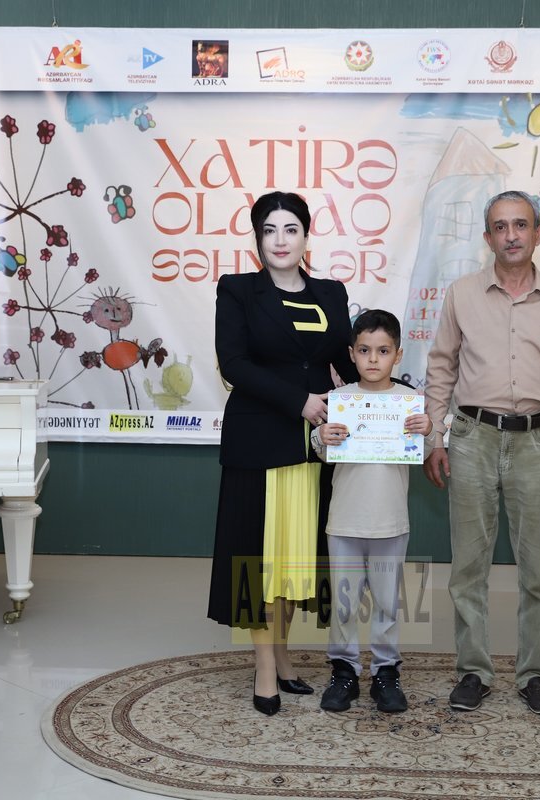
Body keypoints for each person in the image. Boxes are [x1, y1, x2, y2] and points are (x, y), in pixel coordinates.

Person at [423, 189, 540, 716]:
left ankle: (536, 675)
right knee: (468, 567)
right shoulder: (462, 295)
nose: (511, 235)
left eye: (520, 225)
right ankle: (473, 671)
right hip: (472, 438)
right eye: (500, 226)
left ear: (538, 233)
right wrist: (434, 437)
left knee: (537, 571)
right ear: (487, 237)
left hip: (539, 443)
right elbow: (441, 368)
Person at [206, 191, 359, 716]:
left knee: (296, 561)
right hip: (259, 444)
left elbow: (350, 364)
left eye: (290, 229)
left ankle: (285, 654)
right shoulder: (237, 291)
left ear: (306, 236)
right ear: (257, 239)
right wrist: (301, 401)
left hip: (315, 449)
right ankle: (265, 667)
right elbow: (234, 364)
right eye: (269, 230)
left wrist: (395, 401)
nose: (280, 240)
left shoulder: (331, 293)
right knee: (259, 562)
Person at [310, 309, 431, 714]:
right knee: (344, 604)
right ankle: (343, 671)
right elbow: (322, 450)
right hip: (345, 520)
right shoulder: (340, 400)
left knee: (386, 603)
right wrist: (321, 436)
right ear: (351, 353)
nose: (373, 359)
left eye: (383, 350)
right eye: (364, 350)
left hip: (390, 522)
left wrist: (429, 431)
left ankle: (385, 672)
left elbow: (424, 451)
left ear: (398, 354)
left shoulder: (409, 402)